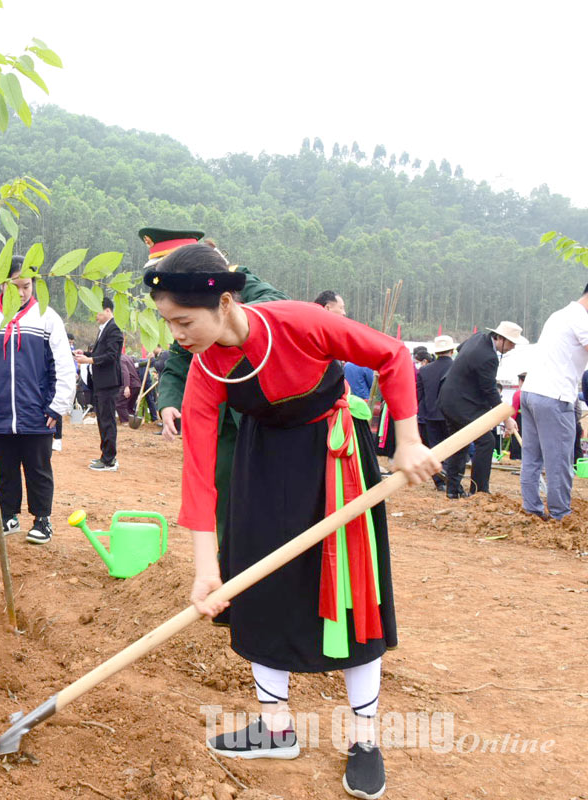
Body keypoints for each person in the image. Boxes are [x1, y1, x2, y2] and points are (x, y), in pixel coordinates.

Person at [150, 244, 437, 800]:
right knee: (256, 588)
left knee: (353, 596)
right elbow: (199, 475)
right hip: (263, 468)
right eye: (170, 323)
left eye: (184, 321)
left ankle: (364, 739)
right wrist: (207, 571)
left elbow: (393, 355)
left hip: (335, 461)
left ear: (225, 302)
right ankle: (274, 727)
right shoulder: (207, 369)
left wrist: (407, 439)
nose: (178, 336)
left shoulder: (299, 322)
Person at [150, 229, 288, 537]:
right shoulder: (187, 317)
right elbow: (177, 362)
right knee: (225, 498)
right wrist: (168, 401)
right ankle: (229, 563)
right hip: (222, 423)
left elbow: (277, 303)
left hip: (262, 416)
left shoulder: (233, 281)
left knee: (271, 499)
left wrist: (227, 325)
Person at [0, 256, 76, 544]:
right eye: (16, 286)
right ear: (2, 284)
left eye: (27, 286)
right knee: (4, 467)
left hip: (36, 412)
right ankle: (8, 515)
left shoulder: (48, 317)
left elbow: (62, 365)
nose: (22, 292)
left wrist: (57, 406)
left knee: (38, 468)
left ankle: (42, 520)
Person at [518, 288, 588, 520]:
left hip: (531, 392)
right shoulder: (581, 318)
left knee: (532, 457)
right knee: (558, 459)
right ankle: (560, 515)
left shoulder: (559, 314)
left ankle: (532, 509)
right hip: (554, 397)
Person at [437, 321, 521, 497]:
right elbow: (489, 390)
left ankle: (453, 490)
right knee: (486, 441)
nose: (512, 347)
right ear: (500, 338)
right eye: (512, 343)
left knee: (460, 444)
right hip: (460, 403)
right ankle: (480, 491)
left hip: (450, 398)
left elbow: (461, 350)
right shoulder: (488, 357)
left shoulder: (478, 337)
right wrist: (506, 417)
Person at [76, 297, 124, 470]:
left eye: (97, 311)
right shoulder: (104, 329)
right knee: (102, 420)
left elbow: (111, 356)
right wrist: (87, 353)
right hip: (100, 383)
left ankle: (109, 460)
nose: (95, 316)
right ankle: (105, 455)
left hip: (108, 383)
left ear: (107, 311)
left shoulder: (114, 330)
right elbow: (101, 352)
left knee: (108, 421)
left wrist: (89, 360)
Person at [416, 335, 456, 490]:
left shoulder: (425, 370)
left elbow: (419, 395)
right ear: (452, 350)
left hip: (430, 414)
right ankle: (449, 477)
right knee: (452, 447)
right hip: (451, 415)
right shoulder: (456, 367)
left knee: (434, 448)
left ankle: (439, 480)